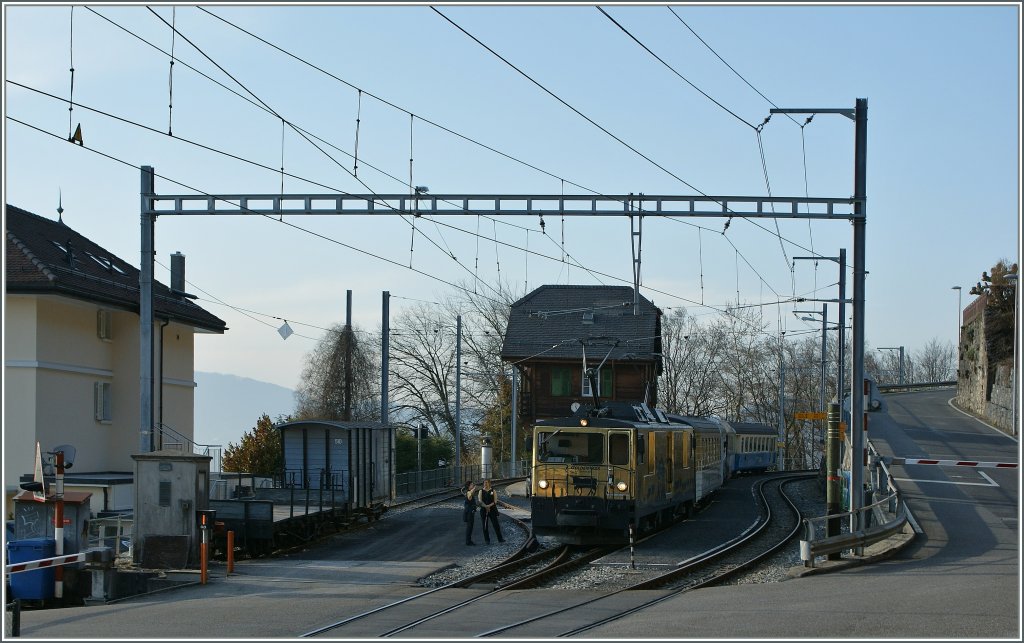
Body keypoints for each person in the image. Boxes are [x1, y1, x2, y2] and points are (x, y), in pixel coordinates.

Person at [476, 478, 504, 544]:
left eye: (486, 482)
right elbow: (480, 501)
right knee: (485, 525)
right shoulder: (481, 491)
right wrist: (486, 506)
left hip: (492, 509)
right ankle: (487, 540)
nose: (485, 484)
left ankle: (500, 539)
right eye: (484, 483)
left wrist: (489, 506)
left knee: (496, 524)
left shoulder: (493, 490)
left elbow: (495, 501)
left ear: (489, 483)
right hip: (483, 510)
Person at [461, 480, 477, 545]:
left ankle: (469, 540)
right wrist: (474, 489)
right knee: (469, 527)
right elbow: (469, 497)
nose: (473, 486)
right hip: (469, 513)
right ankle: (468, 541)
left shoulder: (469, 492)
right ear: (469, 486)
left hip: (470, 512)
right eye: (472, 485)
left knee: (470, 527)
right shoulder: (468, 492)